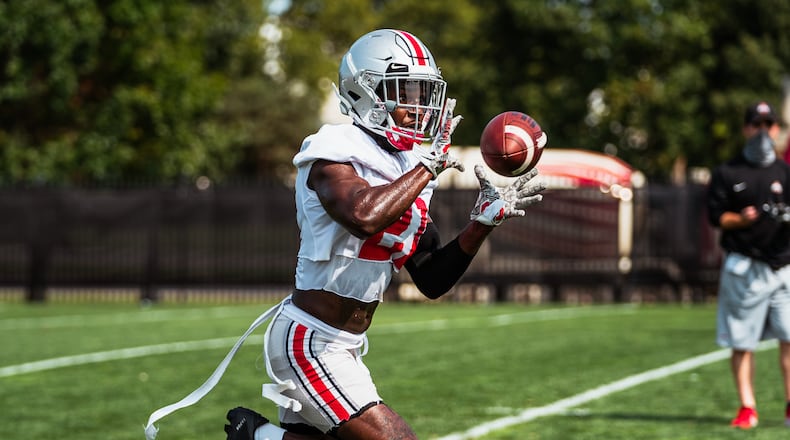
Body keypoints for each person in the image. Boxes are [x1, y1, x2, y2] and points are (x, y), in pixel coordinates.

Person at [142, 29, 545, 440]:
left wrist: (481, 224)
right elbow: (363, 215)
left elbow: (431, 277)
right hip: (310, 341)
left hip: (345, 345)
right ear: (364, 91)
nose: (417, 106)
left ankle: (260, 437)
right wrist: (426, 167)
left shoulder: (410, 164)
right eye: (404, 92)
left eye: (422, 93)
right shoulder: (334, 147)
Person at [707, 100, 790, 429]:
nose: (763, 131)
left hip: (783, 267)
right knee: (742, 342)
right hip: (745, 268)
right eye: (757, 124)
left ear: (776, 128)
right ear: (746, 129)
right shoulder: (728, 172)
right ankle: (747, 407)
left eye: (768, 124)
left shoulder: (785, 171)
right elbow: (717, 218)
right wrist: (742, 219)